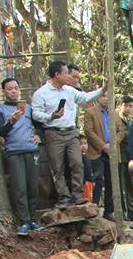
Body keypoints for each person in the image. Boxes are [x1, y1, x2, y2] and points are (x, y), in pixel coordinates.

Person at [31, 60, 104, 208]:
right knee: (57, 167)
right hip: (53, 132)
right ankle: (63, 196)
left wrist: (102, 90)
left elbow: (85, 97)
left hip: (71, 132)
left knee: (77, 163)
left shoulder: (69, 91)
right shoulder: (40, 93)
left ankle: (78, 194)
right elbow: (36, 114)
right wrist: (50, 116)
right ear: (57, 75)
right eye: (66, 73)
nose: (69, 76)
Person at [0, 77, 41, 236]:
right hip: (14, 152)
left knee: (33, 187)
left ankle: (34, 219)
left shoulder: (27, 107)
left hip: (31, 150)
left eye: (15, 88)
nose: (13, 91)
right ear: (4, 91)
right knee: (20, 188)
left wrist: (39, 136)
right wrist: (11, 121)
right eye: (9, 89)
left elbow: (40, 125)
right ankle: (24, 221)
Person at [83, 94, 114, 217]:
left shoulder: (113, 113)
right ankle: (94, 209)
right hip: (96, 151)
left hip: (111, 151)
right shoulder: (90, 112)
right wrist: (103, 146)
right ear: (97, 98)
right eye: (103, 96)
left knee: (111, 181)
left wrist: (113, 144)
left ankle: (109, 211)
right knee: (98, 179)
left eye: (108, 96)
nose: (106, 98)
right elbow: (88, 131)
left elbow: (120, 130)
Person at [114, 95, 133, 219]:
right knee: (120, 185)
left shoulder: (131, 122)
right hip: (119, 156)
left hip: (130, 157)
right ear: (119, 106)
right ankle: (121, 212)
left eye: (131, 106)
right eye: (126, 106)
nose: (128, 109)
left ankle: (132, 211)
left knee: (130, 185)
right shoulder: (116, 119)